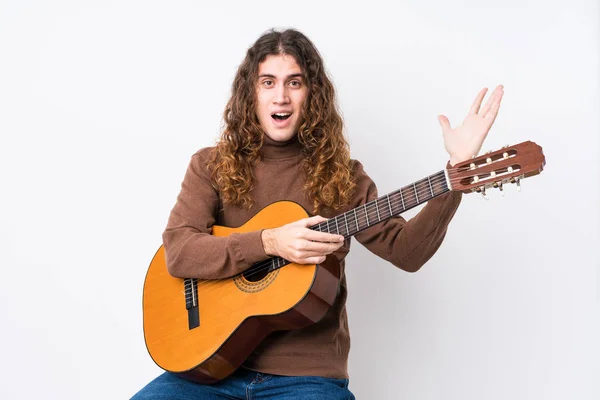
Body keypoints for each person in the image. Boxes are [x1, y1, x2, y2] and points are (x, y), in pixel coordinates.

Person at [132, 28, 503, 399]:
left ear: (312, 94)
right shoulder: (210, 165)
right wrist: (270, 241)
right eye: (268, 82)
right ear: (250, 93)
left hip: (307, 379)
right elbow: (179, 251)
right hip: (209, 370)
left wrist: (457, 170)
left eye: (295, 82)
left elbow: (408, 253)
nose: (282, 96)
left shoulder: (343, 177)